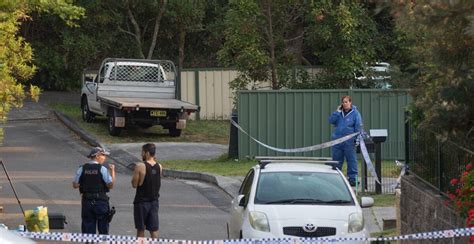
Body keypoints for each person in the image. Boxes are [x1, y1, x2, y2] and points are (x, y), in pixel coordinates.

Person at [73, 147, 115, 234]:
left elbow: (75, 185)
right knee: (103, 229)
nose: (105, 158)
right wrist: (113, 171)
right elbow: (110, 185)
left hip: (87, 202)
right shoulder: (102, 169)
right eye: (103, 155)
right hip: (101, 202)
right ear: (97, 156)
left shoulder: (82, 168)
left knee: (88, 229)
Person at [328, 95, 362, 186]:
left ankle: (352, 179)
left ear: (350, 103)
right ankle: (335, 178)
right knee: (336, 160)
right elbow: (331, 121)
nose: (345, 104)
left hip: (349, 141)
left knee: (351, 160)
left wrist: (357, 139)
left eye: (347, 102)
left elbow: (358, 127)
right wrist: (337, 112)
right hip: (337, 141)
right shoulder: (339, 113)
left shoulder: (355, 113)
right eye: (343, 102)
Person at [131, 143, 162, 239]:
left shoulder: (140, 166)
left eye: (142, 152)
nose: (141, 154)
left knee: (141, 229)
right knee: (154, 230)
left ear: (147, 153)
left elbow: (134, 184)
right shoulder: (159, 166)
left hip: (142, 202)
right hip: (154, 201)